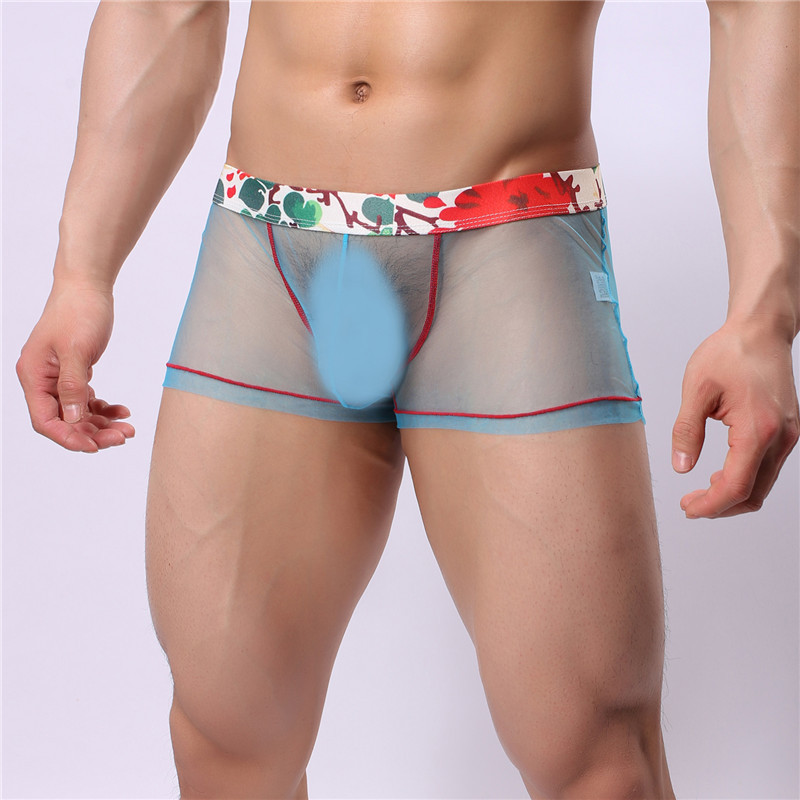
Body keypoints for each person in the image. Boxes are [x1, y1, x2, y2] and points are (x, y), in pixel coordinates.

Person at [14, 0, 798, 797]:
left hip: (509, 241)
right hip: (267, 237)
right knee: (226, 738)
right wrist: (82, 271)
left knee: (597, 760)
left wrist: (763, 314)